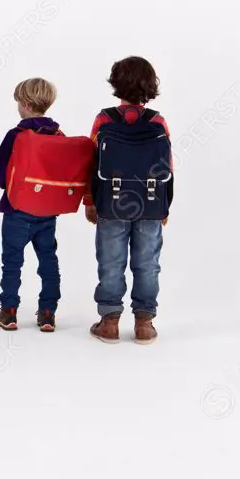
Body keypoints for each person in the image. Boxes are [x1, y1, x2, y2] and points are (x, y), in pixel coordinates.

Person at [86, 57, 171, 345]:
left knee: (111, 261)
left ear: (115, 83)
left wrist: (90, 201)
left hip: (111, 202)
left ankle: (110, 322)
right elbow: (168, 167)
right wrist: (165, 205)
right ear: (150, 85)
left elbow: (91, 162)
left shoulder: (104, 119)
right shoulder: (157, 121)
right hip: (150, 202)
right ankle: (144, 324)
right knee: (147, 263)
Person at [0, 78, 62, 332]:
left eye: (19, 102)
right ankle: (47, 313)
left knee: (12, 262)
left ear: (27, 105)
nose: (17, 106)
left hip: (16, 211)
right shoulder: (58, 135)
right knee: (48, 261)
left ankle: (8, 312)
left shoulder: (16, 135)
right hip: (47, 213)